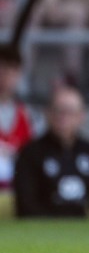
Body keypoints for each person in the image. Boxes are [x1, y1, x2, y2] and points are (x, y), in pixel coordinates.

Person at [14, 84, 89, 217]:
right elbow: (26, 203)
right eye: (58, 110)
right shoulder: (30, 152)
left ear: (82, 116)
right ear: (47, 113)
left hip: (81, 228)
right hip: (43, 229)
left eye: (70, 112)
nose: (63, 117)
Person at [0, 45, 37, 191]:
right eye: (1, 69)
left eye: (11, 70)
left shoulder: (29, 115)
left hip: (18, 187)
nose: (5, 76)